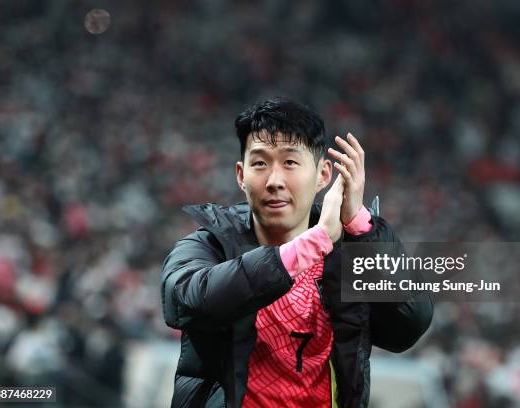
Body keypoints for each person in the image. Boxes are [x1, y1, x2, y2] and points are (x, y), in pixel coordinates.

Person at [160, 97, 433, 408]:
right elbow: (185, 302)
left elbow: (408, 326)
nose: (275, 181)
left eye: (290, 162)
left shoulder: (348, 256)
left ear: (323, 175)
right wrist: (313, 243)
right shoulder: (210, 246)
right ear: (241, 175)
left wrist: (359, 224)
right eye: (260, 163)